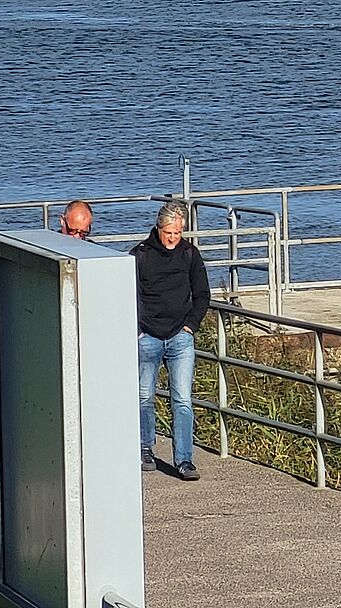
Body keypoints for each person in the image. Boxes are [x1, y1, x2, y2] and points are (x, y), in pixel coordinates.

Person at [132, 202, 209, 480]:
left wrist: (190, 326)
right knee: (143, 397)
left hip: (180, 337)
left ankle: (184, 460)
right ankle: (144, 448)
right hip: (148, 336)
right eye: (169, 233)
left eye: (178, 233)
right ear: (158, 228)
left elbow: (202, 294)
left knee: (183, 399)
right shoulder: (140, 255)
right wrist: (138, 329)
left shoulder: (190, 254)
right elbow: (127, 294)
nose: (173, 238)